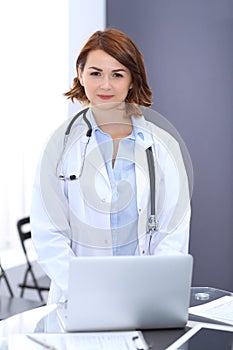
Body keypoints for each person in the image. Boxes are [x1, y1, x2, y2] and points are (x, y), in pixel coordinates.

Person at [30, 28, 192, 304]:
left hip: (146, 298)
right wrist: (88, 293)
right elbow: (49, 233)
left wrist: (151, 291)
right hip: (78, 299)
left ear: (132, 80)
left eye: (117, 74)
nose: (105, 85)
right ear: (80, 74)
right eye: (95, 73)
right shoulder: (59, 146)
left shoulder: (163, 147)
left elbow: (173, 232)